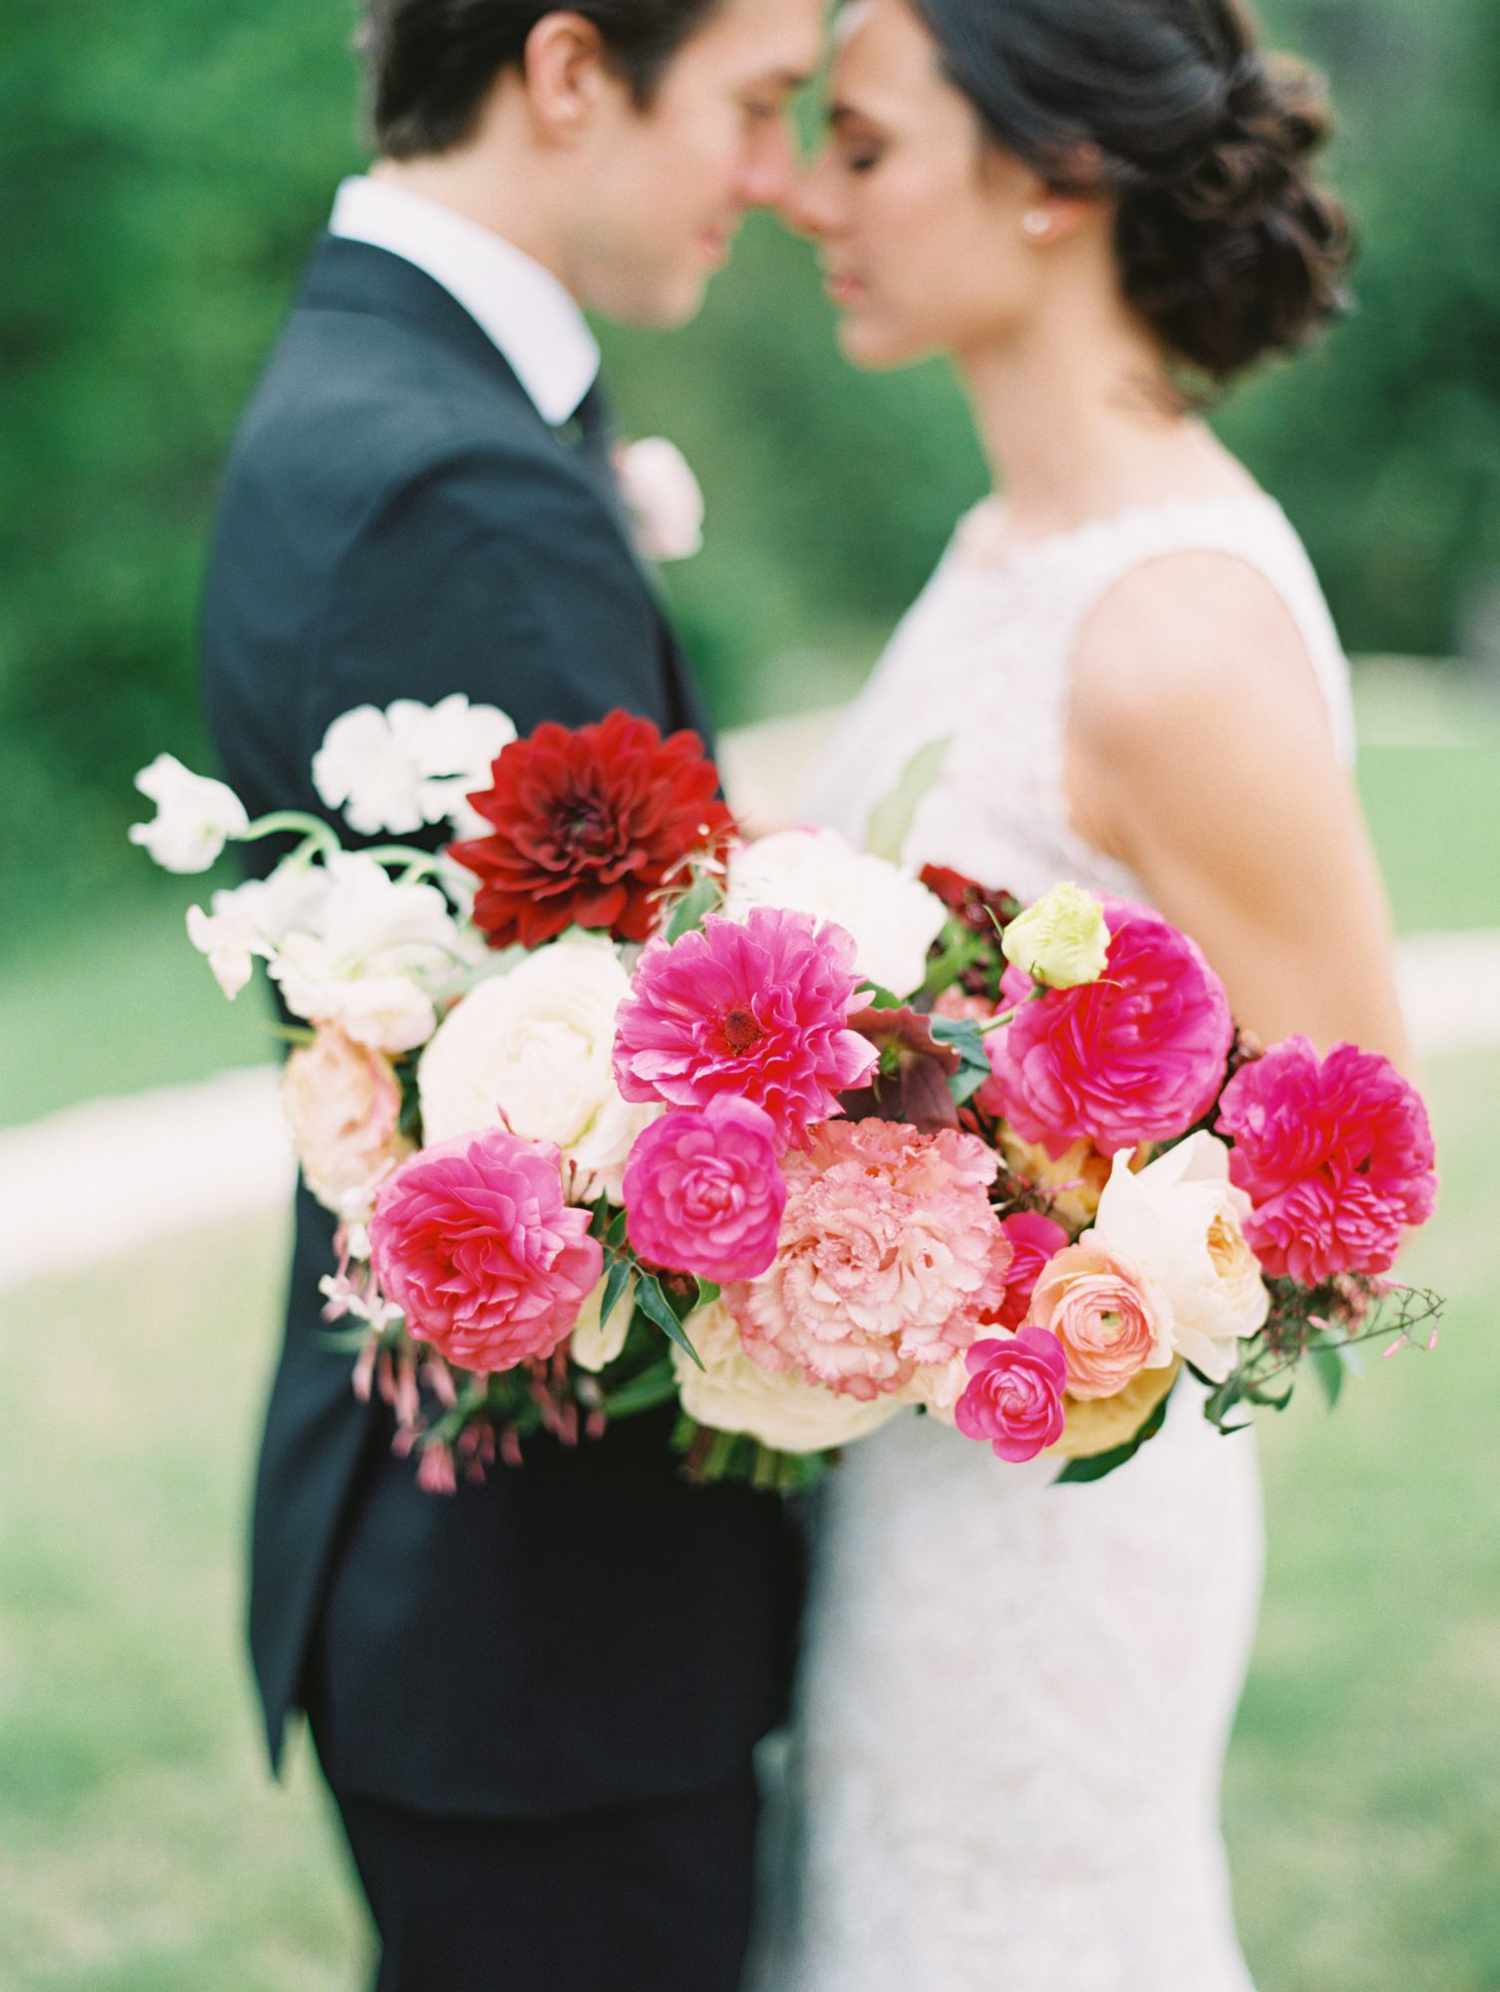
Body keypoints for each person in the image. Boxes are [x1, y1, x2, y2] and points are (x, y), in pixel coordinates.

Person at [769, 0, 1411, 1985]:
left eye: (864, 147)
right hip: (901, 1492)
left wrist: (973, 1241)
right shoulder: (1005, 548)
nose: (807, 198)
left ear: (1053, 173)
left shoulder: (1174, 640)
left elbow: (1355, 1193)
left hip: (1053, 1528)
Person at [200, 3, 823, 1987]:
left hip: (507, 1621)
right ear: (568, 71)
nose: (775, 174)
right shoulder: (448, 484)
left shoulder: (422, 407)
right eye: (750, 103)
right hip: (543, 1626)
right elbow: (603, 1080)